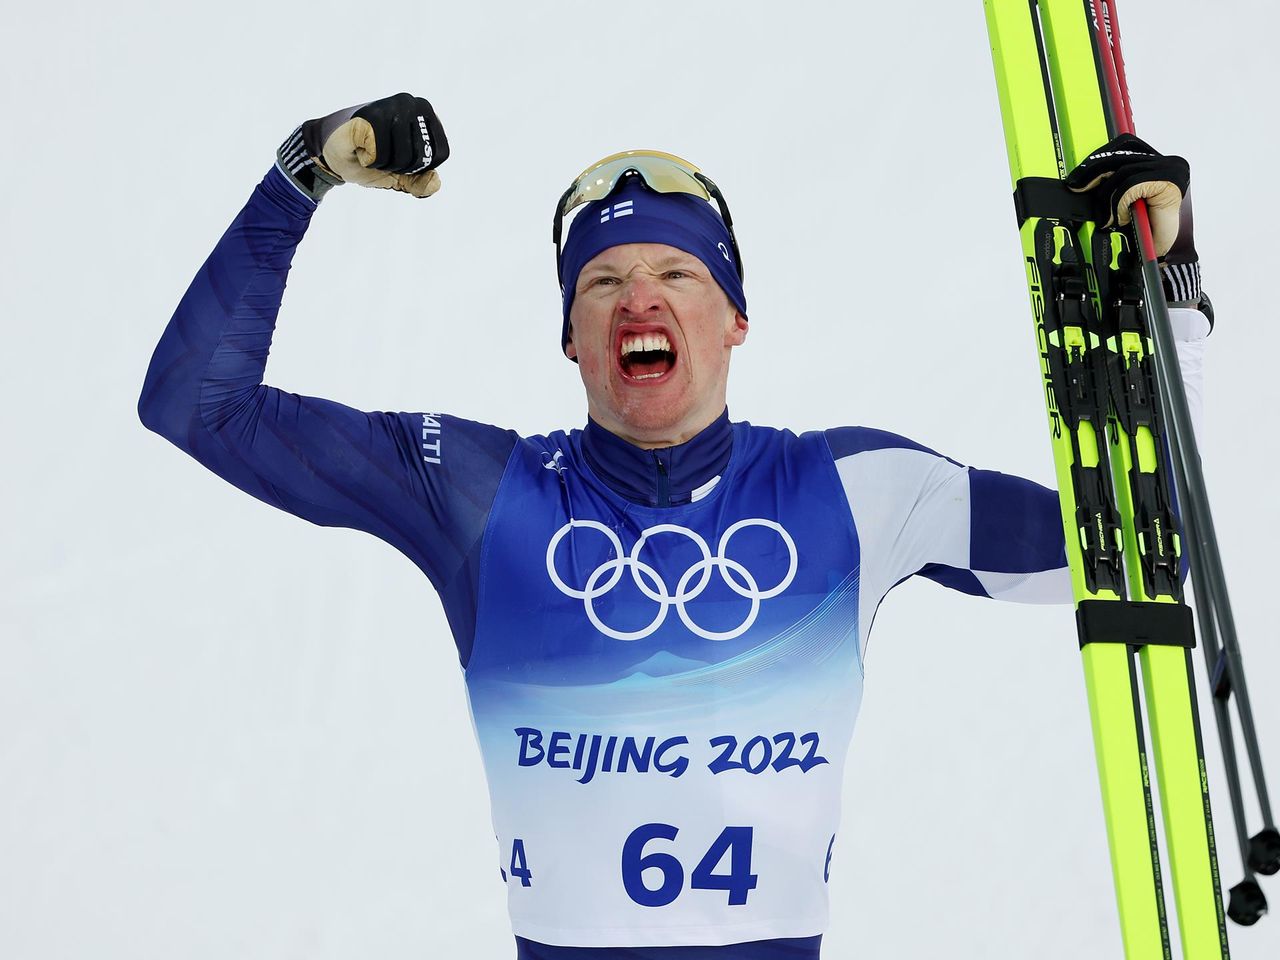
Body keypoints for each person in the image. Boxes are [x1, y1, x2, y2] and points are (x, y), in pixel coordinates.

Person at [138, 94, 1210, 958]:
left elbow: (1141, 550)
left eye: (672, 274)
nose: (632, 298)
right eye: (599, 281)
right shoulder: (475, 491)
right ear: (570, 334)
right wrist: (303, 171)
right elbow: (198, 408)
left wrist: (1166, 285)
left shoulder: (855, 489)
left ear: (734, 319)